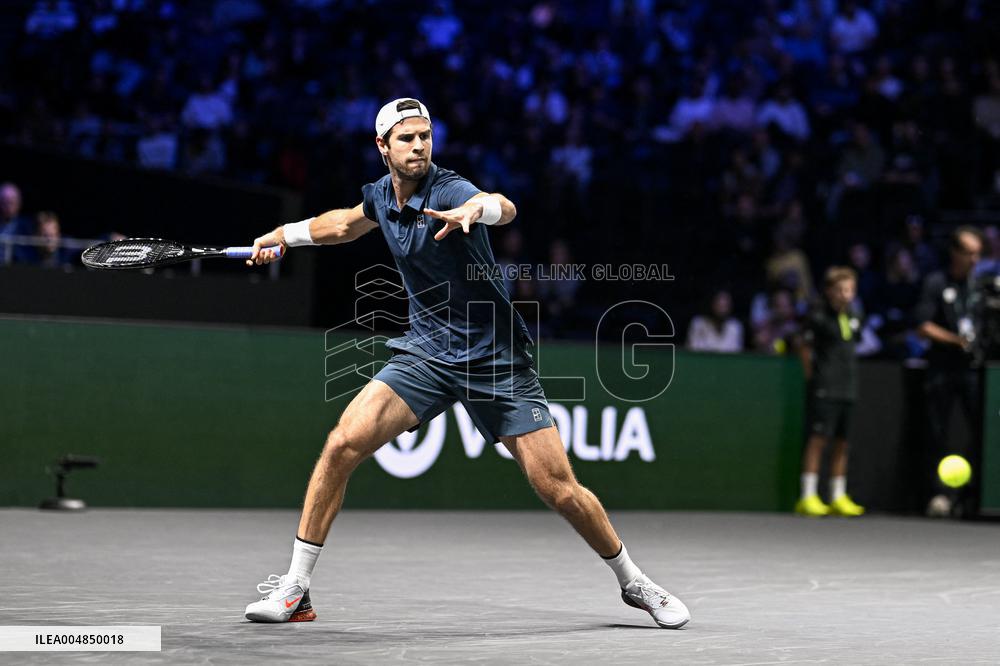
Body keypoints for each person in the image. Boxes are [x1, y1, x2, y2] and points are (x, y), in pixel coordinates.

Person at [240, 98, 690, 629]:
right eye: (406, 138)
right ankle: (296, 590)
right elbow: (342, 225)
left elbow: (504, 206)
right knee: (341, 445)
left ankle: (634, 582)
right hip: (427, 353)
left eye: (425, 136)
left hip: (494, 359)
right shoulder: (381, 197)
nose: (419, 146)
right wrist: (283, 235)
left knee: (558, 489)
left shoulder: (450, 189)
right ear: (383, 147)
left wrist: (477, 210)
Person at [914, 226, 985, 518]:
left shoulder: (980, 287)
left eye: (978, 253)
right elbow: (922, 325)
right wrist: (957, 341)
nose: (975, 259)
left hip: (973, 370)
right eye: (969, 253)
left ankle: (973, 496)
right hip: (942, 369)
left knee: (982, 432)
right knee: (936, 432)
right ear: (954, 253)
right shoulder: (935, 282)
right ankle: (938, 495)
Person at [795, 267, 866, 517]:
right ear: (828, 291)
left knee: (842, 443)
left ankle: (837, 495)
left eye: (850, 290)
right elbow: (803, 346)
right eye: (840, 290)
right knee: (817, 441)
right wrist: (812, 377)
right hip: (825, 385)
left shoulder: (855, 314)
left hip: (848, 386)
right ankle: (808, 495)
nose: (845, 295)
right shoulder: (817, 316)